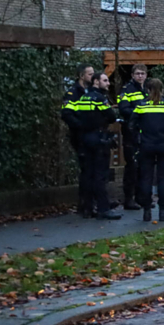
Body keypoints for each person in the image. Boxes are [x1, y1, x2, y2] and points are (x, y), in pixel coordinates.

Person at [130, 78, 164, 222]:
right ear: (162, 89)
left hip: (146, 146)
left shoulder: (141, 105)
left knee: (146, 178)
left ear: (147, 90)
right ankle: (163, 211)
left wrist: (137, 141)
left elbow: (132, 125)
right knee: (163, 179)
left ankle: (147, 210)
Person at [83, 72, 121, 220]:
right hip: (99, 138)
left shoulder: (83, 98)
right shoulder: (100, 99)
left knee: (89, 174)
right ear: (96, 82)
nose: (108, 83)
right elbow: (111, 117)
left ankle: (88, 207)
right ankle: (103, 208)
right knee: (100, 175)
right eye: (105, 81)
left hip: (86, 138)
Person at [61, 62, 95, 218]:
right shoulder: (73, 94)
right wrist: (82, 126)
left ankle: (90, 202)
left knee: (92, 171)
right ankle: (85, 204)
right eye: (89, 74)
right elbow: (67, 114)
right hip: (80, 137)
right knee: (87, 170)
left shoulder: (92, 91)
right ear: (81, 76)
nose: (92, 76)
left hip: (92, 136)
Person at [117, 64, 148, 211]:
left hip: (145, 132)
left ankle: (141, 197)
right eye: (137, 74)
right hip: (131, 132)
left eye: (142, 74)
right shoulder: (126, 90)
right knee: (132, 166)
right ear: (132, 75)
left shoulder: (147, 90)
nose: (140, 76)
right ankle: (129, 199)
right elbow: (124, 109)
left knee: (143, 166)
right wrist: (140, 113)